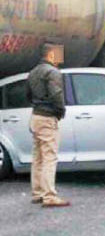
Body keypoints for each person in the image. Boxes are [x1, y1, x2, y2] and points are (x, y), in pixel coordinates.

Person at [26, 43, 70, 207]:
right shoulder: (52, 72)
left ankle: (37, 192)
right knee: (50, 157)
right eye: (59, 54)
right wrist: (60, 111)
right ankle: (49, 196)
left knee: (38, 156)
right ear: (51, 54)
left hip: (36, 116)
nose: (60, 58)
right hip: (47, 117)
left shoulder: (33, 73)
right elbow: (56, 94)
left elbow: (28, 95)